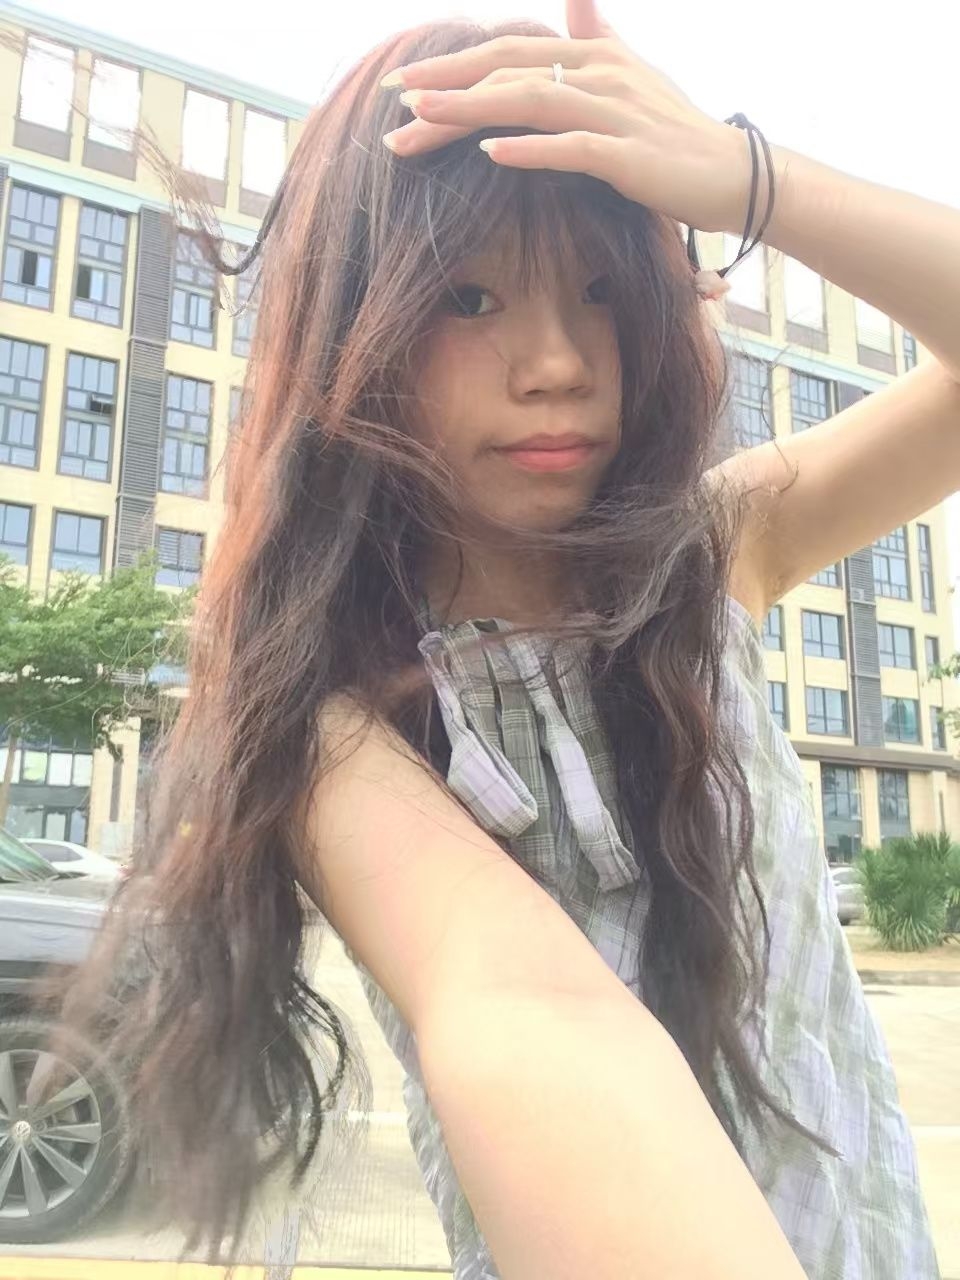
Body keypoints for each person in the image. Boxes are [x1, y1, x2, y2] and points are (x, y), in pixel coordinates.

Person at [59, 2, 958, 1276]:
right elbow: (524, 1002)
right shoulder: (334, 727)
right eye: (469, 296)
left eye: (600, 291)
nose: (556, 363)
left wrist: (746, 177)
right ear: (353, 327)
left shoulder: (711, 552)